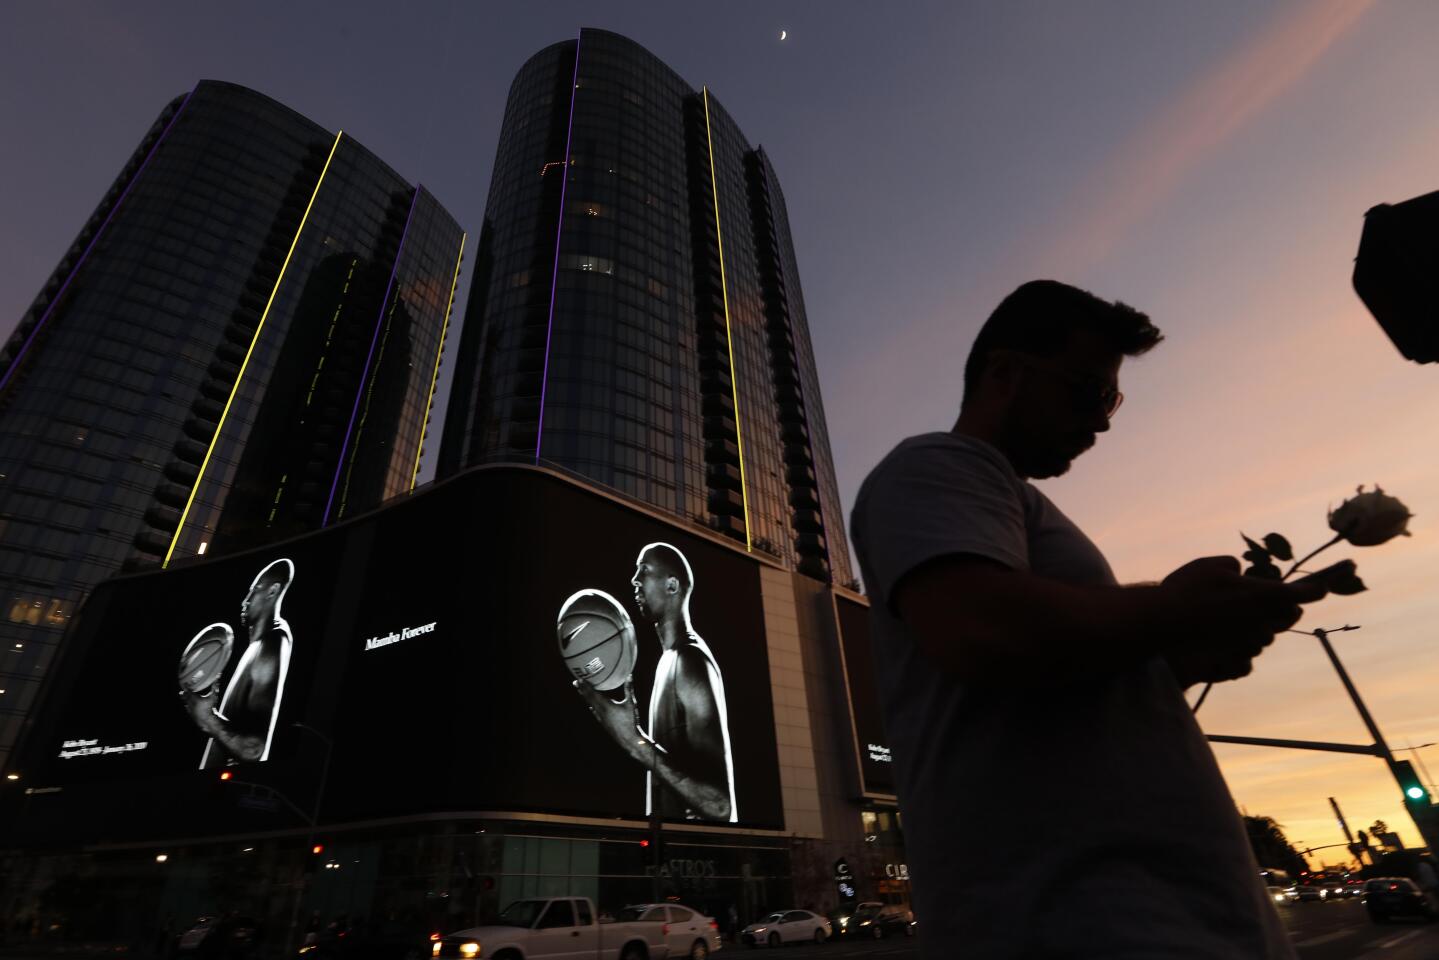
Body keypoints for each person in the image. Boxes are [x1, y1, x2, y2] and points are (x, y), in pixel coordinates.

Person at [849, 280, 1327, 958]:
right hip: (1081, 921)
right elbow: (982, 629)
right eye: (1087, 391)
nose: (1101, 422)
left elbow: (1061, 682)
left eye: (1111, 399)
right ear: (1006, 373)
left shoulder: (1010, 502)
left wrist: (1178, 658)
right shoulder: (936, 466)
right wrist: (1175, 607)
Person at [575, 542, 737, 822]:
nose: (634, 580)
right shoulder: (669, 660)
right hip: (669, 859)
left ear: (672, 585)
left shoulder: (690, 661)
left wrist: (634, 740)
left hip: (699, 861)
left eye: (644, 571)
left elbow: (721, 806)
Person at [183, 558, 295, 768]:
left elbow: (254, 749)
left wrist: (207, 718)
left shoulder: (271, 644)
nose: (245, 601)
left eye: (254, 591)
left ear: (272, 591)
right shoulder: (259, 645)